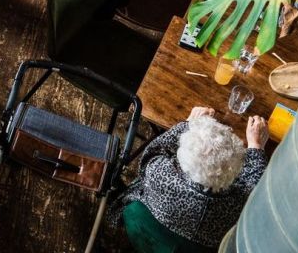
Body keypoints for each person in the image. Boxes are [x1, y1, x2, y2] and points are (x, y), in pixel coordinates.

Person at [111, 107, 267, 250]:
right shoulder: (239, 204)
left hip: (142, 233)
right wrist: (256, 145)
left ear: (182, 158)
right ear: (235, 171)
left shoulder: (158, 173)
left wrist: (188, 124)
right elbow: (255, 183)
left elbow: (154, 151)